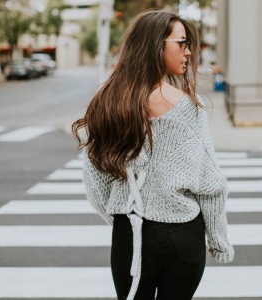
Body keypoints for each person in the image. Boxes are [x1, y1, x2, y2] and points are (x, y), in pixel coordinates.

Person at [72, 10, 234, 300]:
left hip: (130, 233)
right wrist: (219, 241)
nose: (188, 52)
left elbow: (94, 177)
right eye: (181, 43)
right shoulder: (186, 107)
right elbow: (211, 184)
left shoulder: (109, 101)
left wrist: (121, 219)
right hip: (181, 234)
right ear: (156, 45)